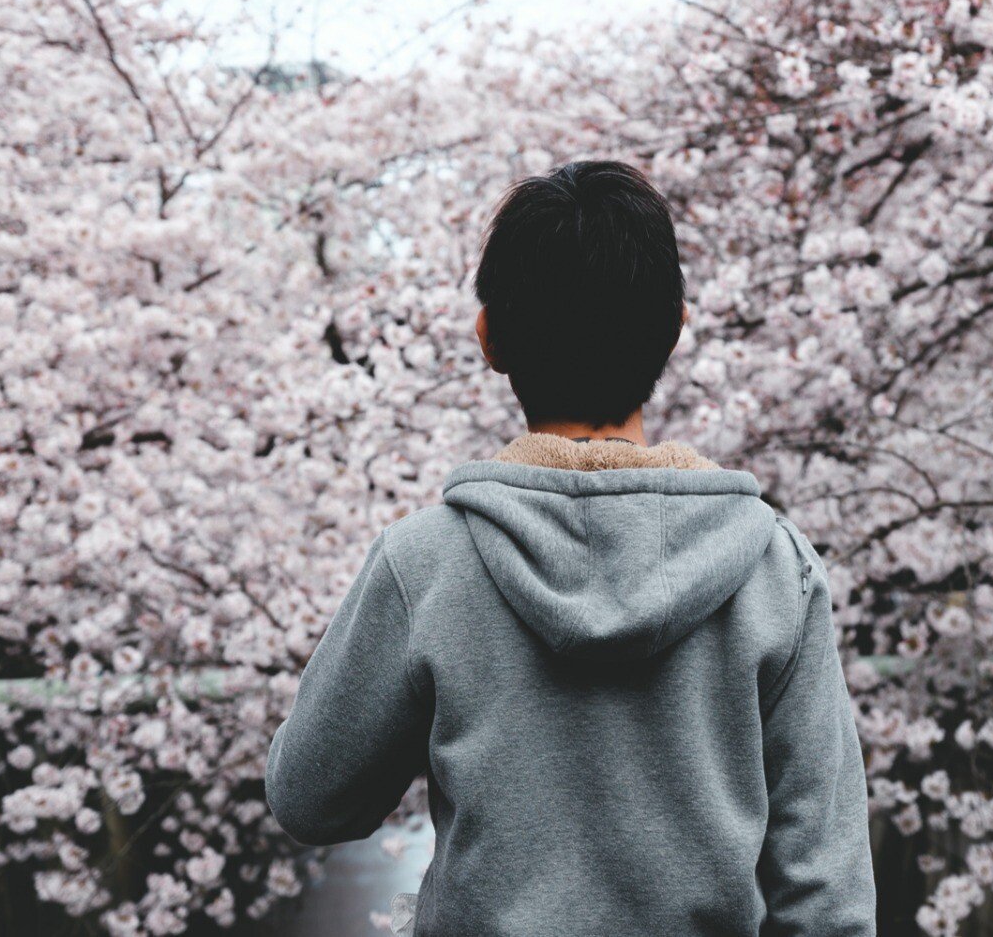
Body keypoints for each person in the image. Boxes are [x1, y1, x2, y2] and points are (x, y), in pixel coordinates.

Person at [265, 160, 876, 936]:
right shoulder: (773, 568)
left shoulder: (426, 562)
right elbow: (829, 897)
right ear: (676, 327)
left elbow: (310, 797)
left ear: (489, 337)